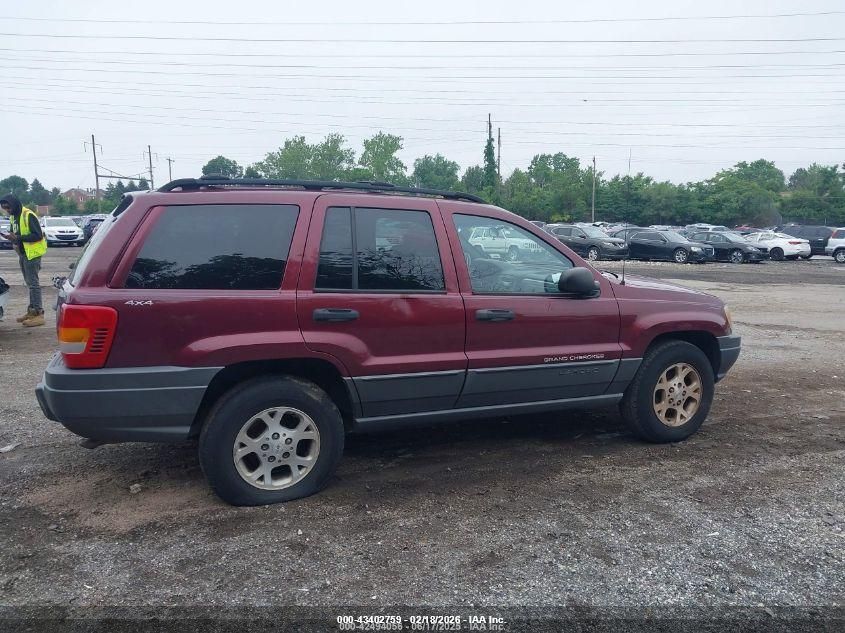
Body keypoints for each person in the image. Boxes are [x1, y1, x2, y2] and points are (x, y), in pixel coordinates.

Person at [0, 194, 47, 327]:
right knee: (29, 283)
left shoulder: (28, 215)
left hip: (32, 254)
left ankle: (38, 313)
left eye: (8, 208)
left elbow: (37, 235)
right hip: (22, 253)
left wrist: (18, 238)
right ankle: (32, 311)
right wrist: (11, 237)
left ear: (14, 204)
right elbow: (15, 233)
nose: (7, 210)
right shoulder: (13, 216)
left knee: (33, 284)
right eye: (4, 209)